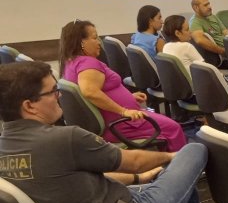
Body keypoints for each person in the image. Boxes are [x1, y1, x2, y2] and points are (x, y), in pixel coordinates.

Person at [0, 61, 228, 203]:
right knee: (194, 149)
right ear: (29, 106)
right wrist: (171, 157)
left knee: (181, 186)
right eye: (52, 92)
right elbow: (132, 160)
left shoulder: (5, 148)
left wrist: (139, 178)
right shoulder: (65, 138)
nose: (59, 96)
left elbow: (72, 179)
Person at [59, 19, 187, 152]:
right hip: (122, 123)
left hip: (120, 120)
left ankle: (164, 162)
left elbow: (98, 90)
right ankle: (182, 168)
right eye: (94, 38)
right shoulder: (88, 64)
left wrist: (129, 97)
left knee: (168, 124)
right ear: (82, 42)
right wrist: (123, 110)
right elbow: (90, 92)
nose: (98, 43)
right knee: (173, 128)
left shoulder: (72, 63)